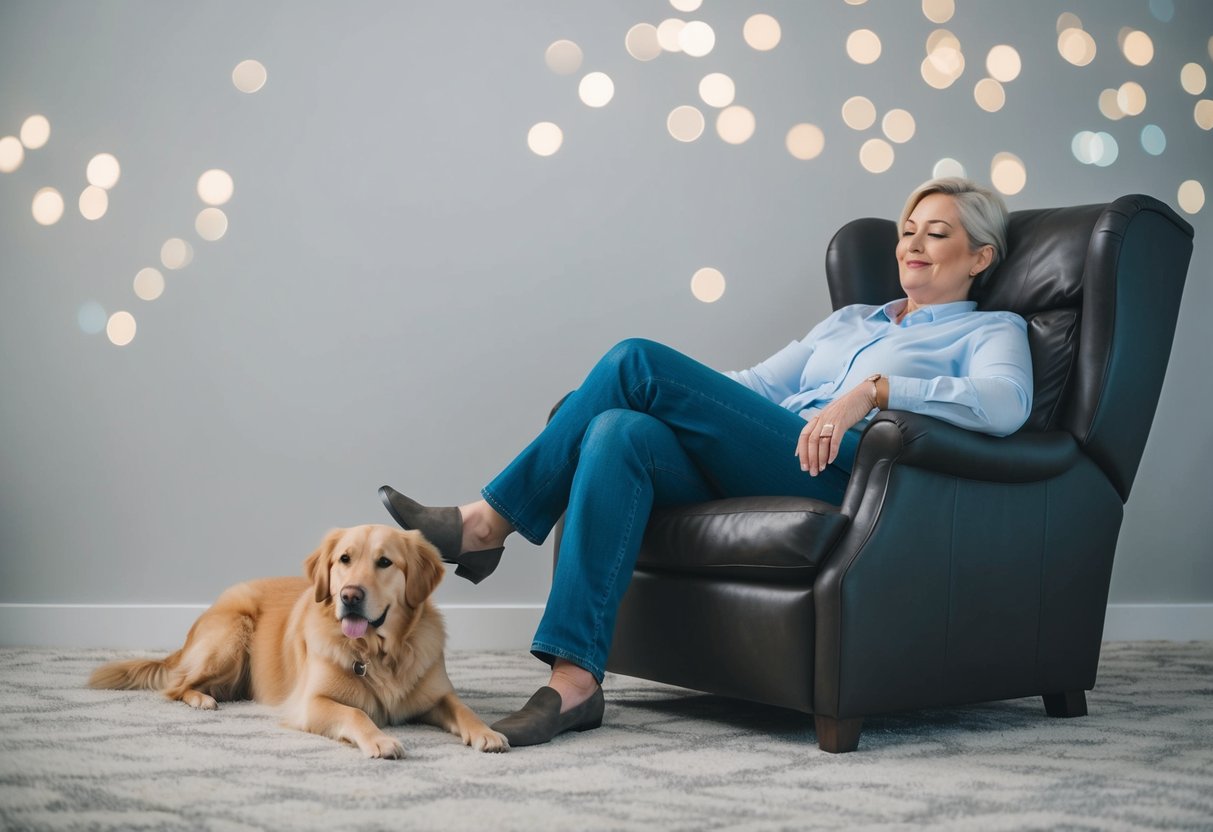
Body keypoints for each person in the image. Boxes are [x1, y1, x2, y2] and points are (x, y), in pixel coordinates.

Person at [379, 176, 1033, 747]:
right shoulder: (852, 321)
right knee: (613, 427)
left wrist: (873, 392)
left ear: (979, 256)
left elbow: (1003, 406)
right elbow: (752, 389)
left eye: (935, 234)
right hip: (771, 449)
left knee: (634, 359)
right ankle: (574, 683)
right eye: (907, 230)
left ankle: (485, 527)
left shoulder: (989, 330)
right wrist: (652, 392)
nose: (911, 244)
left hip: (847, 473)